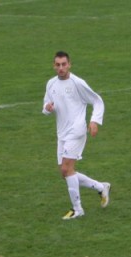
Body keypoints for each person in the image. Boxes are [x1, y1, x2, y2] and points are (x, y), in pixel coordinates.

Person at [42, 50, 111, 220]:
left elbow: (97, 100)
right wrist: (47, 108)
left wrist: (94, 121)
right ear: (54, 66)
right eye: (58, 65)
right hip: (62, 133)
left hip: (77, 130)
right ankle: (101, 187)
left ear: (69, 64)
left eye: (64, 64)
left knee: (67, 169)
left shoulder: (78, 83)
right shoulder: (51, 84)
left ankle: (78, 209)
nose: (61, 68)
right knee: (65, 172)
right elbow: (45, 106)